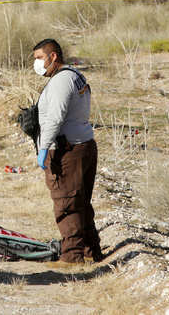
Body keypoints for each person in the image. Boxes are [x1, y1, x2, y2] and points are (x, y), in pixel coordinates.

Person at [32, 38, 102, 266]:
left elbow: (56, 117)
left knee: (66, 202)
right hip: (83, 144)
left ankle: (72, 257)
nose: (37, 64)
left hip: (67, 150)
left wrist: (43, 148)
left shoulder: (62, 81)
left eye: (40, 58)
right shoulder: (75, 76)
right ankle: (91, 250)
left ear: (53, 56)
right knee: (80, 201)